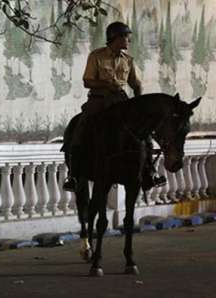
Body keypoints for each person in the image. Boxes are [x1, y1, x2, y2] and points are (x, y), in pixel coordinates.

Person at [63, 21, 165, 192]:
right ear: (115, 38)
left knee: (144, 133)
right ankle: (73, 174)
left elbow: (136, 83)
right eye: (125, 37)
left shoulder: (128, 60)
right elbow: (87, 81)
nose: (128, 41)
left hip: (121, 101)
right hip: (99, 100)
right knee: (81, 126)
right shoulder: (96, 56)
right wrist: (106, 85)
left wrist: (139, 103)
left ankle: (150, 173)